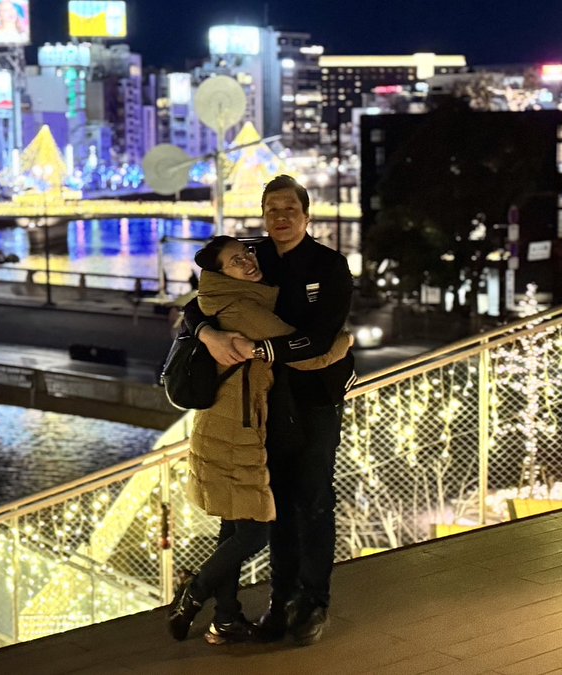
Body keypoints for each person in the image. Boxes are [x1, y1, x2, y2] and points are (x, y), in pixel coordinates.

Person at [184, 175, 355, 646]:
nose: (280, 217)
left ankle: (313, 601)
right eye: (271, 209)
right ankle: (282, 602)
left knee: (315, 499)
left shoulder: (331, 265)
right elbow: (199, 303)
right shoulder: (250, 260)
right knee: (275, 500)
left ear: (306, 215)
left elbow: (321, 339)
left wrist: (260, 350)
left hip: (317, 396)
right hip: (267, 400)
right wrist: (210, 335)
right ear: (263, 215)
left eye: (289, 209)